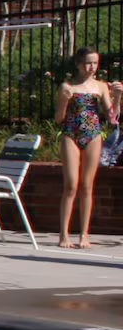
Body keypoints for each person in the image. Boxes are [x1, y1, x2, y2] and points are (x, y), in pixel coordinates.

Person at [54, 47, 111, 249]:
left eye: (95, 63)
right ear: (78, 64)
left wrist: (118, 97)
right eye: (88, 63)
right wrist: (64, 100)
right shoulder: (67, 86)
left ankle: (84, 234)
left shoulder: (101, 87)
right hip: (71, 134)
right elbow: (59, 119)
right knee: (71, 185)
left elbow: (112, 118)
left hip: (93, 135)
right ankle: (64, 234)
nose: (92, 67)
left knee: (87, 186)